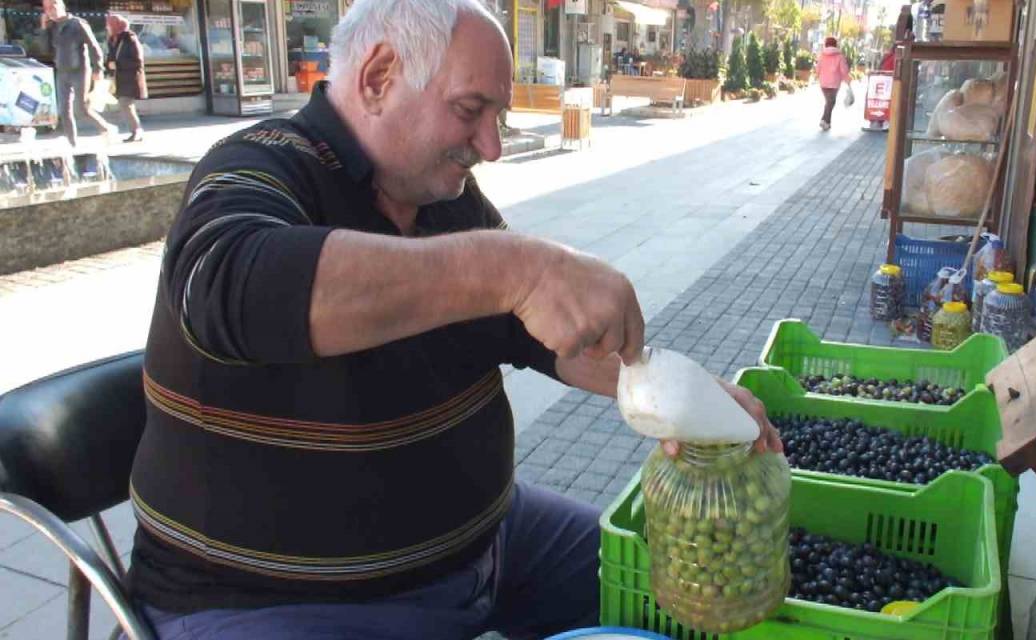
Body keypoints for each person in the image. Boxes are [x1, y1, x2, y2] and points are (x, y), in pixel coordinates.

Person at [128, 1, 782, 639]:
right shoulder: (259, 162)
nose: (491, 147)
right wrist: (514, 268)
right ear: (378, 78)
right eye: (470, 111)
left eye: (498, 116)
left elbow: (531, 328)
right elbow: (226, 286)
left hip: (495, 543)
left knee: (689, 594)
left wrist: (680, 398)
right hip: (276, 603)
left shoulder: (440, 195)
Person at [40, 0, 115, 146]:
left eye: (53, 6)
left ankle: (106, 128)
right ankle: (72, 143)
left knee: (81, 109)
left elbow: (94, 47)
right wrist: (44, 28)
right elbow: (45, 49)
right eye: (47, 8)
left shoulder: (77, 24)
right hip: (62, 71)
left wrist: (98, 69)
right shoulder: (52, 27)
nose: (50, 10)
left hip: (80, 70)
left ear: (61, 5)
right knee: (64, 110)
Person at [105, 14, 145, 142]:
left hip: (130, 78)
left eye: (109, 25)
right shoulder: (113, 39)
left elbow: (138, 62)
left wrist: (118, 65)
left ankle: (136, 132)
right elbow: (111, 57)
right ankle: (136, 131)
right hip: (120, 79)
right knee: (126, 105)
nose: (107, 27)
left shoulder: (130, 39)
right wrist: (108, 65)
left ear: (116, 25)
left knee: (126, 104)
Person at [815, 36, 850, 131]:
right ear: (835, 45)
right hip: (834, 83)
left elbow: (817, 68)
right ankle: (824, 120)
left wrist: (817, 76)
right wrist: (848, 80)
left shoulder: (822, 55)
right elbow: (844, 71)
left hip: (823, 82)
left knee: (829, 102)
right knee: (831, 102)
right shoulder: (840, 56)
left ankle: (827, 123)